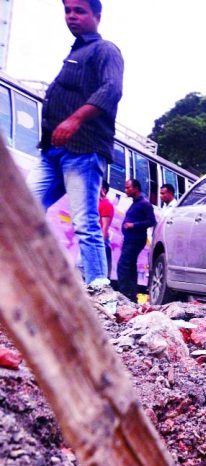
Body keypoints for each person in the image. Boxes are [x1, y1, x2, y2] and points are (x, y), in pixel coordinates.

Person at [27, 0, 123, 288]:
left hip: (83, 149)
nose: (71, 16)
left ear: (97, 15)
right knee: (24, 208)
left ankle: (99, 288)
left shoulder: (105, 50)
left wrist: (74, 120)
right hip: (52, 152)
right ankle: (27, 277)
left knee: (85, 223)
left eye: (79, 11)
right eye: (67, 11)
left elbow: (112, 89)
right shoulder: (77, 52)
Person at [117, 178, 156, 301]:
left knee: (123, 266)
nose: (126, 190)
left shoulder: (145, 204)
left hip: (136, 240)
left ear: (136, 188)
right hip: (129, 239)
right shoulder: (135, 203)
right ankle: (131, 296)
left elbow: (152, 221)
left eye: (128, 187)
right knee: (130, 267)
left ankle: (123, 295)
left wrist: (133, 225)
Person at [98, 179, 114, 277]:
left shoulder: (106, 204)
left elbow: (105, 226)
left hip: (100, 238)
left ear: (103, 189)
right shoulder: (97, 202)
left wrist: (101, 243)